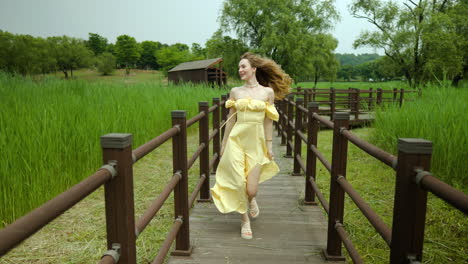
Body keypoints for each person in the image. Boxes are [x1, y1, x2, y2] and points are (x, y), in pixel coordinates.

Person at [210, 52, 292, 239]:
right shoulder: (235, 92)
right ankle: (244, 220)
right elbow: (230, 121)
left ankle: (252, 199)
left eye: (243, 67)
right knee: (238, 181)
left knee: (251, 189)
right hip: (236, 140)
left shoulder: (267, 92)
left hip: (256, 142)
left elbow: (268, 122)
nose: (240, 70)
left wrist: (269, 146)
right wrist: (223, 144)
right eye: (239, 67)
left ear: (253, 69)